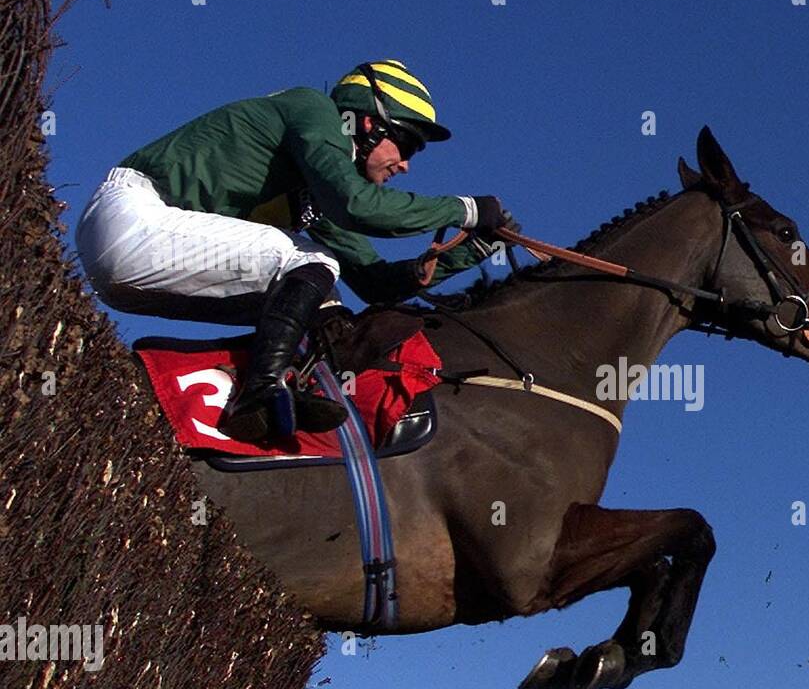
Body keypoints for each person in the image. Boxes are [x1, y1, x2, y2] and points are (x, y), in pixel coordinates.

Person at [75, 59, 515, 442]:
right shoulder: (313, 108)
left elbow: (375, 283)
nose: (406, 164)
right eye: (407, 144)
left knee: (323, 296)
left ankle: (261, 391)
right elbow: (358, 207)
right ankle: (262, 392)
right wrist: (466, 209)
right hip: (131, 218)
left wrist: (474, 249)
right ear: (369, 122)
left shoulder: (310, 197)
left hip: (135, 270)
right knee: (312, 262)